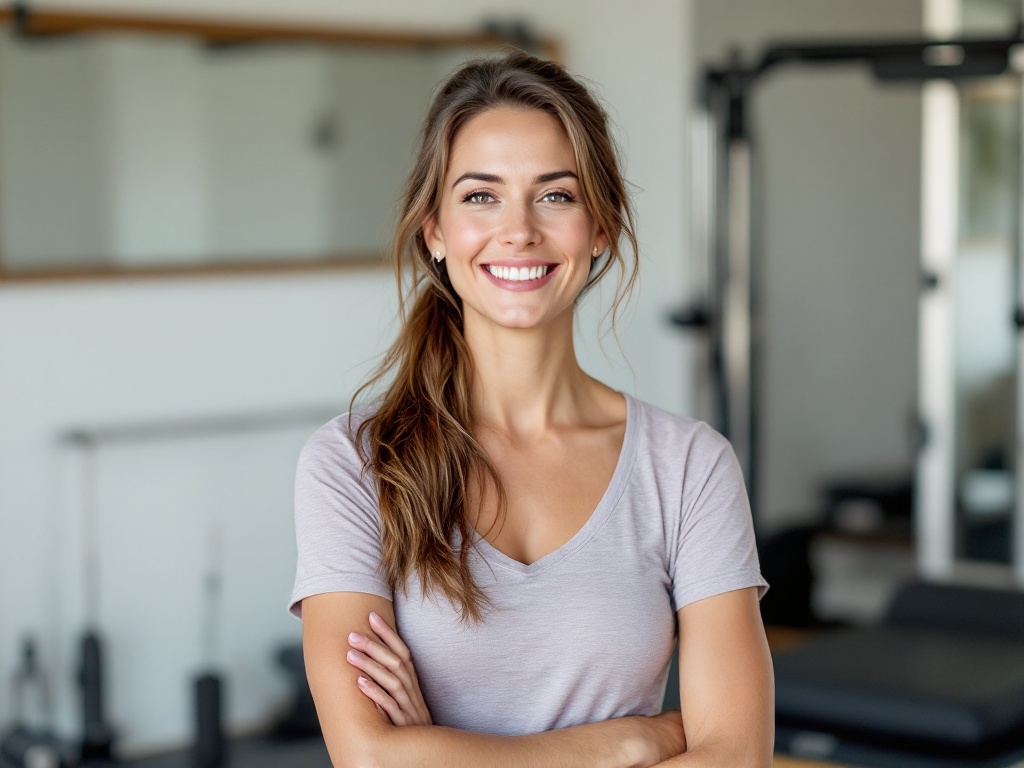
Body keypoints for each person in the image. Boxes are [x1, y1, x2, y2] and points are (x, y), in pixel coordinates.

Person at [289, 51, 773, 768]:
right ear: (435, 232)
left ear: (600, 227)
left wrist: (440, 753)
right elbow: (368, 757)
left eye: (555, 196)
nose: (519, 231)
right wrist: (631, 742)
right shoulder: (354, 463)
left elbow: (735, 758)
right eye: (481, 196)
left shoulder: (689, 466)